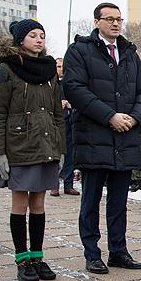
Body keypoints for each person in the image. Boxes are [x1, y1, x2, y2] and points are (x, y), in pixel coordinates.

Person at [64, 2, 141, 274]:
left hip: (124, 138)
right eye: (110, 19)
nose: (116, 24)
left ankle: (118, 250)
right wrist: (110, 117)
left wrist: (134, 117)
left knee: (119, 201)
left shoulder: (129, 53)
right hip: (95, 136)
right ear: (96, 22)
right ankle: (92, 253)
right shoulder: (80, 51)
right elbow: (76, 90)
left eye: (119, 19)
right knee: (90, 199)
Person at [0, 19, 65, 281]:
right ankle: (22, 260)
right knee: (20, 204)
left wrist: (61, 148)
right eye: (33, 35)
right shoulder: (7, 69)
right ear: (21, 40)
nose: (39, 39)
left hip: (46, 145)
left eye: (42, 34)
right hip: (19, 146)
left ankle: (37, 256)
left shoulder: (49, 70)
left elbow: (57, 113)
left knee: (39, 204)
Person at [50, 58, 79, 197]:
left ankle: (68, 184)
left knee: (69, 154)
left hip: (70, 121)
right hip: (55, 123)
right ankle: (53, 185)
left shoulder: (70, 83)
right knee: (56, 154)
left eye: (61, 66)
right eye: (57, 66)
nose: (59, 68)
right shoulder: (50, 83)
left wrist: (70, 104)